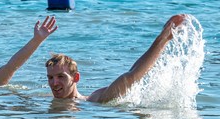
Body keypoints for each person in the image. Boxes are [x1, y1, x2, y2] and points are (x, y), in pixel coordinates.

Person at [45, 14, 189, 103]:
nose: (54, 83)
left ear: (76, 78)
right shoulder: (45, 100)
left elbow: (131, 77)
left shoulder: (93, 100)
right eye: (50, 78)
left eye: (60, 76)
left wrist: (162, 40)